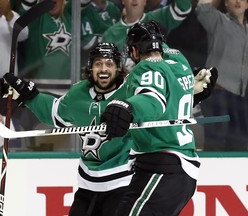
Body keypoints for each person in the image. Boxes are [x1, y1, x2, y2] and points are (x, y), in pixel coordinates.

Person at [0, 42, 134, 216]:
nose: (103, 69)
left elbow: (150, 109)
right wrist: (27, 96)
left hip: (121, 182)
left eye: (109, 64)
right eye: (98, 64)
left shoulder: (130, 92)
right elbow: (55, 113)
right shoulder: (79, 92)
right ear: (91, 68)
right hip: (87, 183)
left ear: (118, 69)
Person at [100, 21, 201, 216]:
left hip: (163, 166)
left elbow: (152, 100)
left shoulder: (146, 68)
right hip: (175, 169)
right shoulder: (180, 62)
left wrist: (129, 108)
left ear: (135, 50)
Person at [195, 0, 248, 150]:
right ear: (225, 3)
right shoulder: (218, 21)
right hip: (217, 94)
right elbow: (202, 7)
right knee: (215, 143)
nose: (238, 1)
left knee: (240, 144)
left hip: (239, 96)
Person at [102, 0, 192, 70]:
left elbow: (183, 8)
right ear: (123, 1)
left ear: (145, 1)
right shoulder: (110, 34)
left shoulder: (157, 19)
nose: (134, 0)